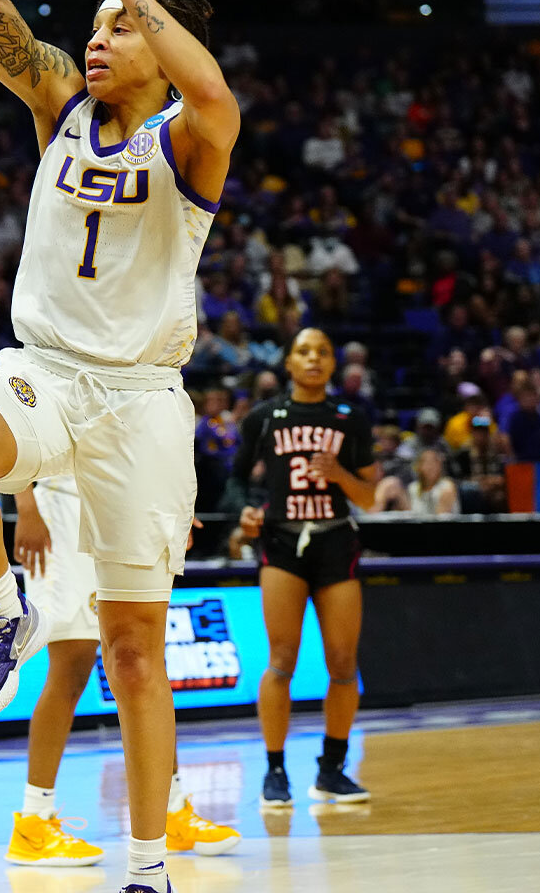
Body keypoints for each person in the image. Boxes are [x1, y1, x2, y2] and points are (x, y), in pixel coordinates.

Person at [0, 0, 235, 885]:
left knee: (135, 656)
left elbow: (218, 96)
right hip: (45, 371)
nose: (97, 40)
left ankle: (147, 865)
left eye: (120, 28)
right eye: (96, 24)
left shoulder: (190, 138)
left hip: (143, 400)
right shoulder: (59, 100)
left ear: (161, 38)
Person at [10, 476, 239, 866]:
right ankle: (33, 823)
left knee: (148, 666)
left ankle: (172, 809)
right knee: (70, 667)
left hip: (131, 507)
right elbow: (15, 424)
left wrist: (176, 505)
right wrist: (26, 508)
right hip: (65, 510)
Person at [233, 329, 380, 810]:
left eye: (322, 351)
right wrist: (248, 514)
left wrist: (339, 475)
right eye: (303, 352)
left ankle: (332, 770)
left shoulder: (351, 418)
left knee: (342, 662)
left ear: (333, 363)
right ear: (289, 364)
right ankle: (275, 772)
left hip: (336, 539)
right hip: (281, 541)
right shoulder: (264, 418)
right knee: (281, 661)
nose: (313, 359)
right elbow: (238, 483)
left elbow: (369, 497)